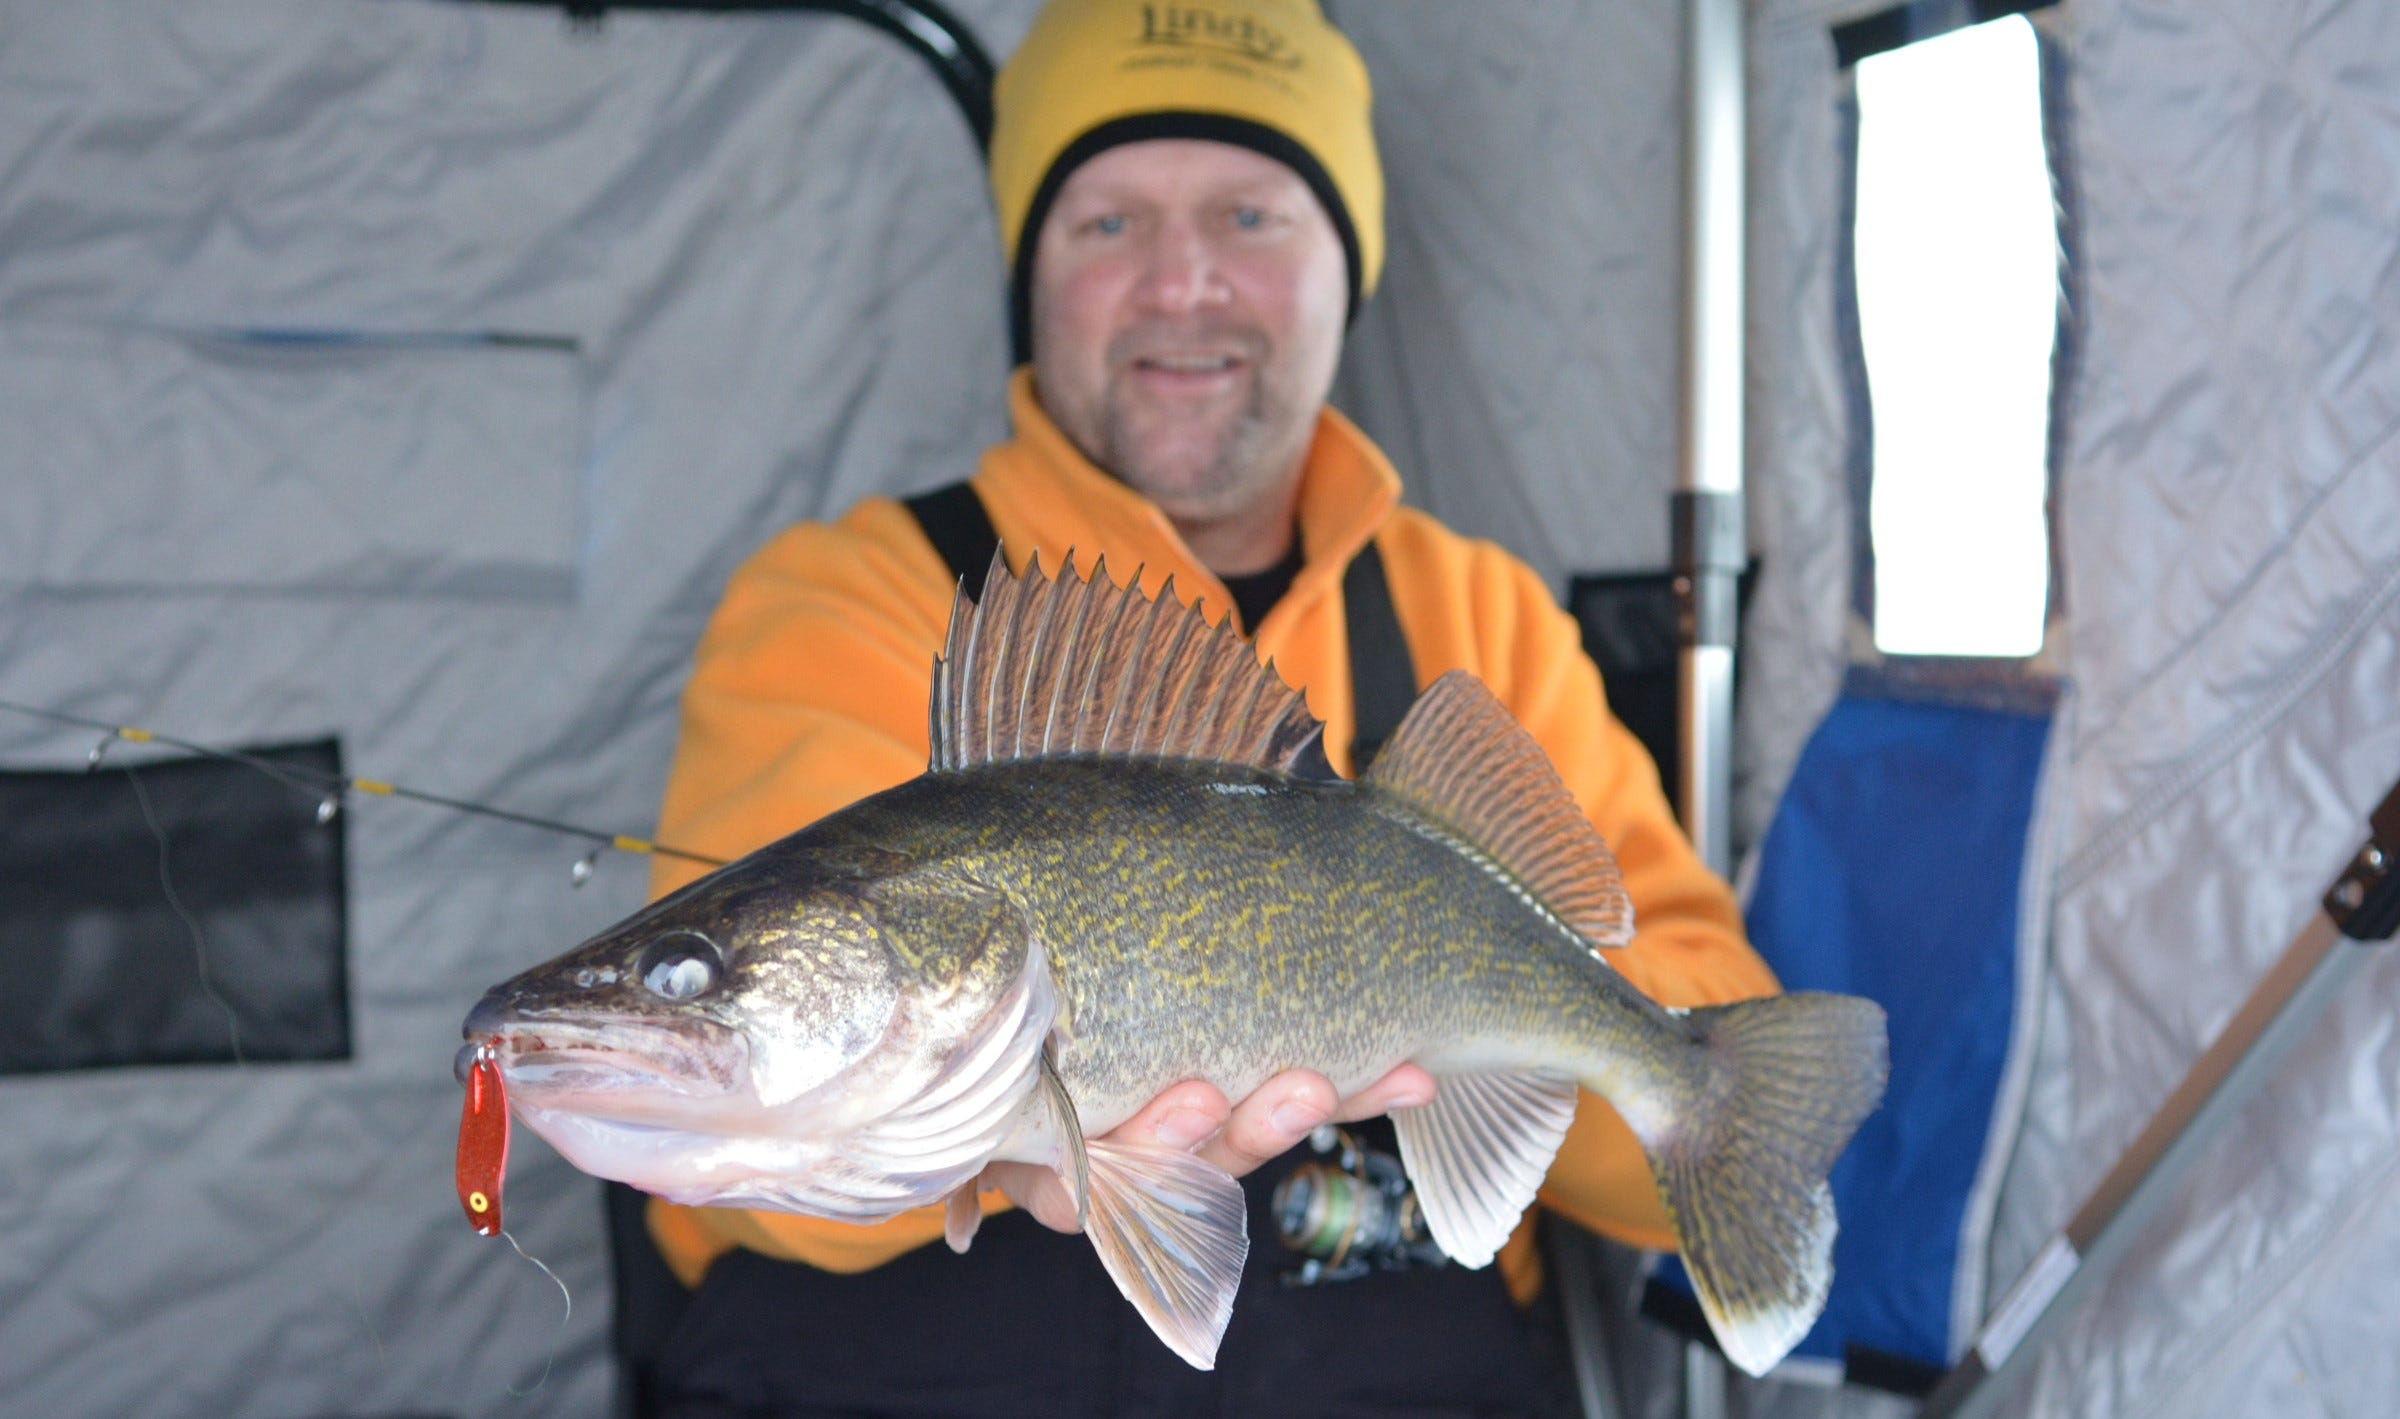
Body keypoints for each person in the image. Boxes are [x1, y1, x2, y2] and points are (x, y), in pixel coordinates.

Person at [637, 1, 1779, 1413]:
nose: (1183, 284)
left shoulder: (1475, 616)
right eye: (1108, 224)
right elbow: (757, 1130)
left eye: (1250, 215)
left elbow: (1706, 1079)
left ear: (1345, 267)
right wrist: (999, 1147)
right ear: (1029, 277)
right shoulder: (847, 597)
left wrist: (1498, 1032)